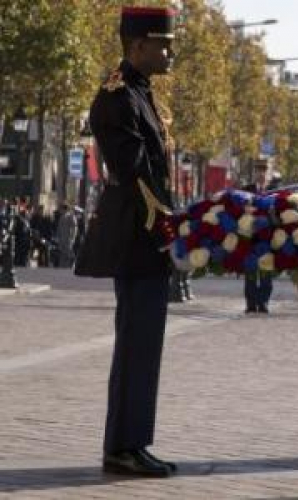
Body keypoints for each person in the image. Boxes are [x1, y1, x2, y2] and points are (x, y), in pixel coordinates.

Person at [74, 6, 177, 477]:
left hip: (147, 238)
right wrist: (169, 228)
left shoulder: (140, 92)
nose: (169, 51)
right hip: (137, 237)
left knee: (144, 344)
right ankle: (121, 446)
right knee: (137, 343)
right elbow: (136, 176)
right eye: (162, 43)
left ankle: (133, 442)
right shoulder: (117, 98)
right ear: (137, 45)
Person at [242, 161, 274, 313]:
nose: (261, 174)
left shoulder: (274, 190)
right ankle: (251, 303)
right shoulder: (247, 190)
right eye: (258, 170)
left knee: (266, 271)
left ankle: (263, 302)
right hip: (251, 237)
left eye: (264, 171)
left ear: (268, 173)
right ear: (254, 173)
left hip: (268, 237)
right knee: (250, 270)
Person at [56, 204, 78, 268]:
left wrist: (72, 237)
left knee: (69, 252)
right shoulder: (61, 217)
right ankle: (62, 266)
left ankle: (72, 264)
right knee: (62, 253)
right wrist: (58, 236)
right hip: (62, 238)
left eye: (62, 209)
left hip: (68, 238)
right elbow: (59, 228)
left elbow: (75, 228)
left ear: (65, 209)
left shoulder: (71, 216)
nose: (61, 210)